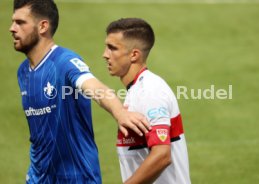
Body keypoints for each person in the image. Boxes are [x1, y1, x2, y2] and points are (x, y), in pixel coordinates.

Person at [9, 1, 150, 183]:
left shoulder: (64, 62)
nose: (12, 28)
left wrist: (119, 112)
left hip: (77, 178)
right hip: (38, 178)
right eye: (13, 22)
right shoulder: (23, 72)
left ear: (43, 26)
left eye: (20, 22)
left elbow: (95, 87)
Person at [103, 18, 191, 184]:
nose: (105, 55)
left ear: (134, 55)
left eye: (112, 48)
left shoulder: (150, 92)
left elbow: (162, 156)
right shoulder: (136, 90)